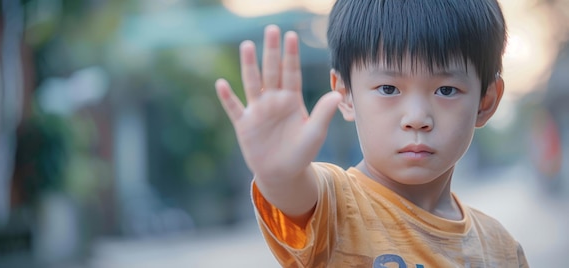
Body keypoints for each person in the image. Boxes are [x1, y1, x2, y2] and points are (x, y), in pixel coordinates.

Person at [215, 0, 529, 267]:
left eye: (446, 90)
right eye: (388, 88)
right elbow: (297, 196)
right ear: (346, 94)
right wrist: (280, 175)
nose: (417, 118)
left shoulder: (502, 249)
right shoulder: (336, 207)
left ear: (485, 102)